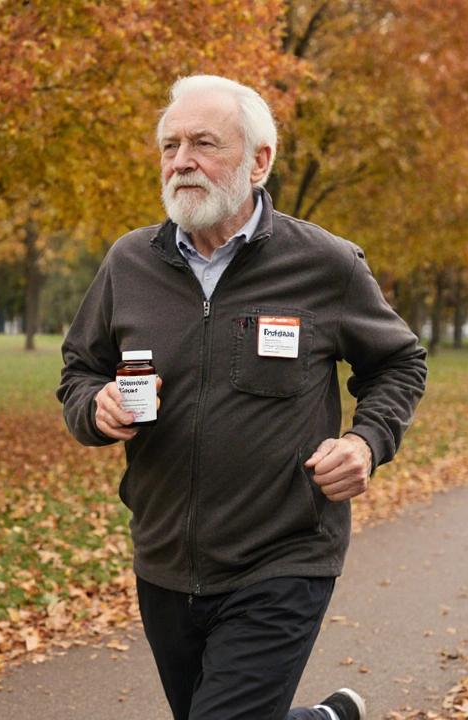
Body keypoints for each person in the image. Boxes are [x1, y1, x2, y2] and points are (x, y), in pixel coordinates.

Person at [57, 75, 427, 720]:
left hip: (283, 554)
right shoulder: (128, 263)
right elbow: (79, 371)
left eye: (204, 143)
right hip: (164, 557)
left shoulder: (326, 264)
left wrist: (366, 441)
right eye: (170, 146)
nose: (181, 162)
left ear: (260, 160)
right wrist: (95, 407)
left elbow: (398, 361)